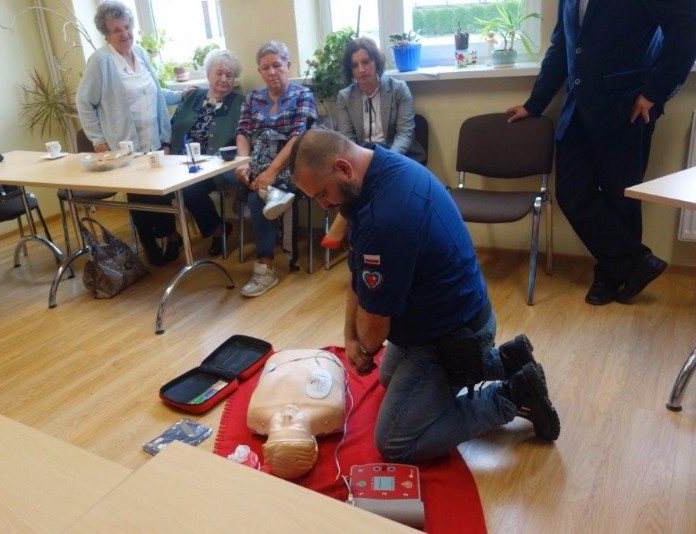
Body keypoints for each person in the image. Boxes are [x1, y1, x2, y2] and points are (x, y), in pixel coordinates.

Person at [289, 128, 560, 463]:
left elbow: (373, 334)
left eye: (322, 194)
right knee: (388, 377)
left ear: (343, 168)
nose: (324, 205)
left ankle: (512, 395)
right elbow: (358, 270)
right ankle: (505, 361)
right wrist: (349, 335)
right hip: (453, 316)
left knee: (394, 441)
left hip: (454, 337)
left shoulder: (383, 219)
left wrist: (361, 346)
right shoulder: (374, 164)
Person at [507, 1, 696, 306]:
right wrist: (534, 104)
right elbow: (563, 46)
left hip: (627, 108)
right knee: (571, 191)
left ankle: (610, 276)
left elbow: (688, 27)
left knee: (620, 198)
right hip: (577, 109)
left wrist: (653, 93)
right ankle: (635, 262)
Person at [75, 1, 187, 266]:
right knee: (138, 197)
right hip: (124, 144)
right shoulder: (101, 60)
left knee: (159, 192)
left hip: (154, 140)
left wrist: (182, 95)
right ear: (106, 34)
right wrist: (98, 140)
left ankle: (170, 236)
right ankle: (152, 244)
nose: (124, 33)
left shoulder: (140, 53)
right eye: (117, 30)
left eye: (127, 27)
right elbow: (84, 102)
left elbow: (155, 92)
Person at [323, 36, 427, 249]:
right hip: (360, 155)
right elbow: (346, 138)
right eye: (355, 65)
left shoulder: (398, 89)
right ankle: (368, 246)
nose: (361, 69)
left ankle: (347, 225)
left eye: (366, 62)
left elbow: (405, 133)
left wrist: (385, 160)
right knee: (349, 176)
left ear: (376, 62)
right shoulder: (345, 97)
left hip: (396, 153)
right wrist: (362, 161)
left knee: (369, 180)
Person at [234, 40, 319, 297]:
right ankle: (270, 192)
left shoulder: (302, 95)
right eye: (265, 67)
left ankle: (266, 267)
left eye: (277, 65)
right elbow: (243, 132)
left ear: (288, 65)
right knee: (233, 179)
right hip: (257, 161)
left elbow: (298, 137)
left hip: (291, 161)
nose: (271, 72)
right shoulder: (253, 97)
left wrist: (271, 172)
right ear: (259, 71)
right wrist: (243, 162)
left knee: (255, 197)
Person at [170, 49, 243, 256]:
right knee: (154, 188)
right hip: (178, 161)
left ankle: (218, 230)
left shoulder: (240, 103)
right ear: (208, 74)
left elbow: (244, 135)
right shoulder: (192, 96)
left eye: (229, 75)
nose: (224, 79)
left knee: (189, 188)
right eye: (219, 73)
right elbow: (173, 123)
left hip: (213, 166)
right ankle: (169, 235)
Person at [247, 349, 347, 479]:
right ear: (313, 440)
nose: (287, 417)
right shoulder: (331, 409)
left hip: (279, 359)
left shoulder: (257, 411)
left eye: (277, 427)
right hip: (321, 357)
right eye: (296, 427)